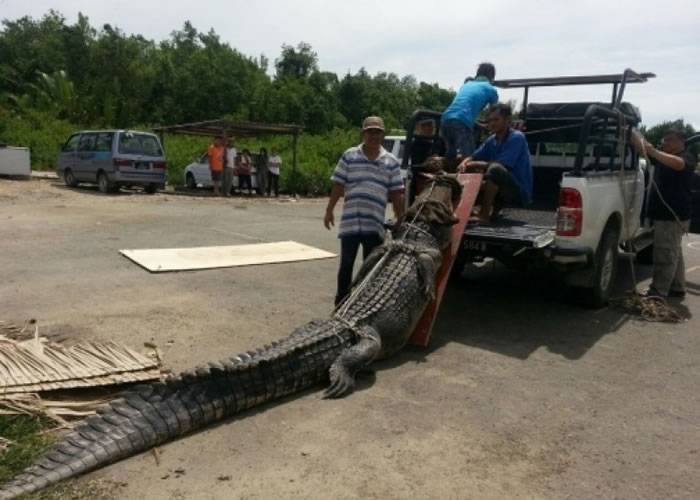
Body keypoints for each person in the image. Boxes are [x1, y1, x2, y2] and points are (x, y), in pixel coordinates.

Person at [324, 116, 405, 306]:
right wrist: (329, 210)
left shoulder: (391, 161)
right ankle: (341, 304)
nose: (374, 135)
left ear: (383, 135)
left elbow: (396, 192)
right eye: (370, 131)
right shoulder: (349, 155)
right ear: (363, 133)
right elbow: (338, 184)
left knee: (370, 269)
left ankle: (363, 305)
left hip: (374, 223)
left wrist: (400, 217)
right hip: (351, 222)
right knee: (346, 266)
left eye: (377, 132)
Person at [631, 128, 697, 299]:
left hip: (673, 216)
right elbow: (642, 148)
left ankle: (657, 292)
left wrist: (653, 150)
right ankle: (677, 287)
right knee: (674, 252)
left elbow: (678, 164)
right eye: (664, 140)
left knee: (665, 254)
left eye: (669, 140)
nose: (664, 143)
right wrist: (633, 133)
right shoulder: (662, 157)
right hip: (666, 215)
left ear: (680, 142)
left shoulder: (687, 157)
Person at [458, 103, 532, 223]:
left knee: (495, 169)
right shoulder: (491, 140)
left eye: (496, 119)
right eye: (490, 120)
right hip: (502, 189)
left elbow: (502, 165)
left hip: (517, 193)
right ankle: (467, 210)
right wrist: (465, 163)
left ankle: (484, 214)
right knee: (468, 167)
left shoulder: (517, 137)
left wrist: (473, 164)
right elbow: (473, 156)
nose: (492, 123)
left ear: (507, 120)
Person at [441, 62, 498, 159]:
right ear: (492, 77)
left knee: (451, 155)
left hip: (445, 119)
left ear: (477, 74)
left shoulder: (467, 84)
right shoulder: (491, 89)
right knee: (469, 158)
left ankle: (447, 171)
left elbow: (461, 111)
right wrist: (490, 126)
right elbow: (495, 114)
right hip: (461, 123)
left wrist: (481, 124)